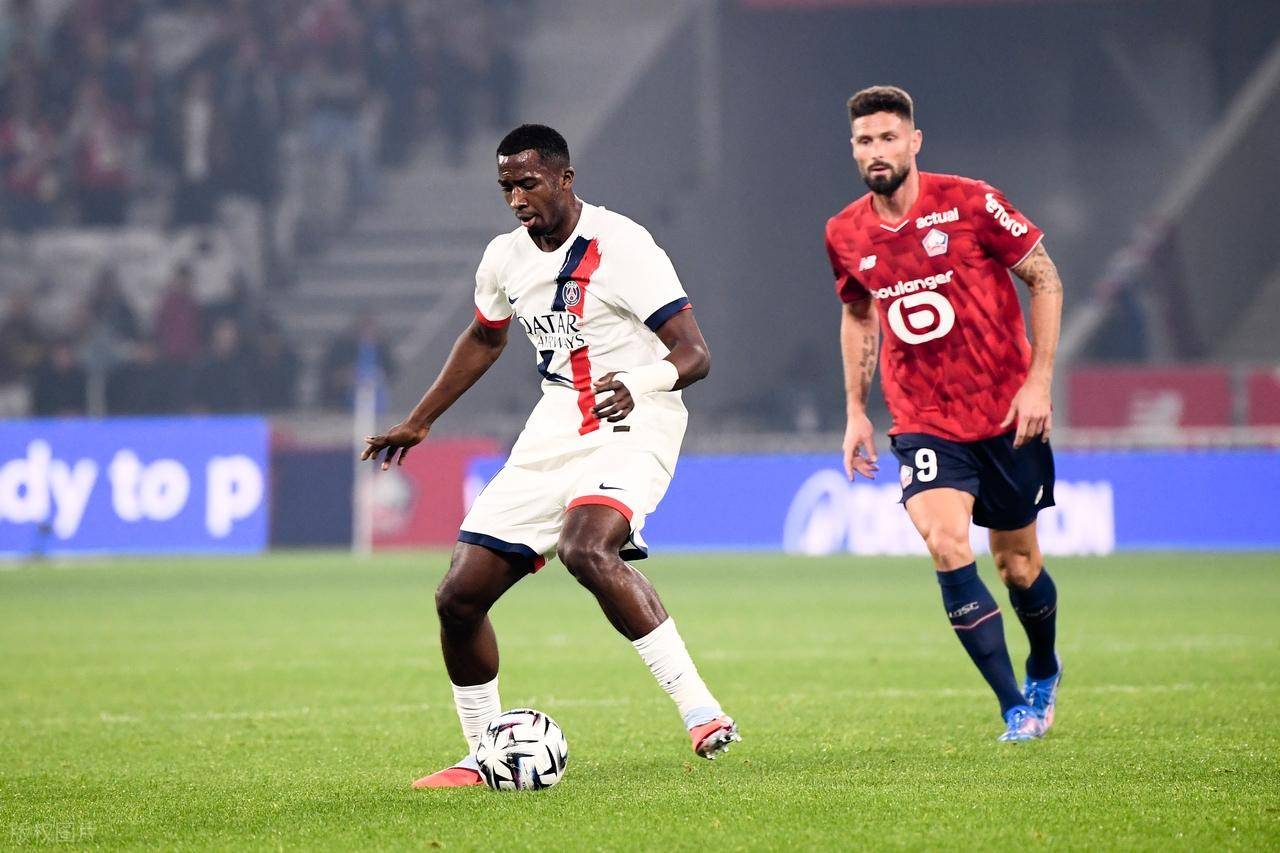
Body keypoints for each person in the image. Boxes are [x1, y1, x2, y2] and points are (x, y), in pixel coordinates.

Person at [362, 124, 739, 788]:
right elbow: (485, 337)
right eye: (506, 186)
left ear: (565, 178)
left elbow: (694, 354)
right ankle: (483, 753)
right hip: (555, 425)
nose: (516, 199)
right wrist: (420, 420)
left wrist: (641, 381)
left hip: (635, 418)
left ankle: (701, 710)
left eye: (528, 183)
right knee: (458, 597)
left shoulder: (622, 246)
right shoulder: (504, 257)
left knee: (585, 548)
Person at [825, 86, 1064, 742]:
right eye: (865, 141)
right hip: (924, 419)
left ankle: (1044, 665)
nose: (877, 150)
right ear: (854, 150)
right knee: (947, 543)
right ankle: (1014, 707)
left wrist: (1039, 381)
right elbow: (857, 314)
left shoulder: (971, 202)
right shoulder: (845, 232)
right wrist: (856, 410)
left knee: (1018, 566)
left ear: (914, 141)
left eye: (888, 138)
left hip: (1007, 415)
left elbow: (1045, 278)